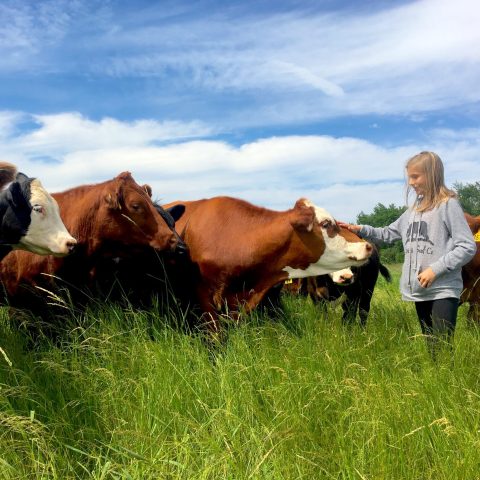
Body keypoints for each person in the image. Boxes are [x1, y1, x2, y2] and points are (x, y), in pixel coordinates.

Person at [338, 151, 476, 355]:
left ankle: (444, 382)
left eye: (415, 176)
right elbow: (387, 234)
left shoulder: (448, 206)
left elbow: (467, 246)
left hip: (443, 288)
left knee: (442, 347)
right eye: (409, 177)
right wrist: (360, 229)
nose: (411, 182)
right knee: (431, 345)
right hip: (420, 290)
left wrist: (434, 270)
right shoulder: (412, 212)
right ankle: (435, 383)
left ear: (432, 174)